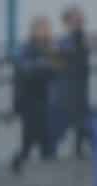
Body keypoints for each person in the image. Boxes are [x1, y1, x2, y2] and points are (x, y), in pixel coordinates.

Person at [11, 16, 61, 174]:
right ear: (35, 30)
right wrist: (46, 65)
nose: (46, 31)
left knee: (47, 137)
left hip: (47, 99)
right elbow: (26, 69)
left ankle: (48, 166)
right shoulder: (26, 48)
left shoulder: (50, 48)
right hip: (30, 100)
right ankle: (19, 162)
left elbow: (59, 67)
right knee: (30, 138)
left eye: (47, 28)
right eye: (43, 28)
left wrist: (49, 62)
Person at [53, 4, 91, 158]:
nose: (80, 19)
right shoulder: (64, 40)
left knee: (81, 116)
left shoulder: (82, 37)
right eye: (76, 17)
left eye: (80, 17)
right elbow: (57, 61)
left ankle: (79, 148)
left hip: (81, 84)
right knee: (72, 117)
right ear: (68, 21)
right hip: (68, 85)